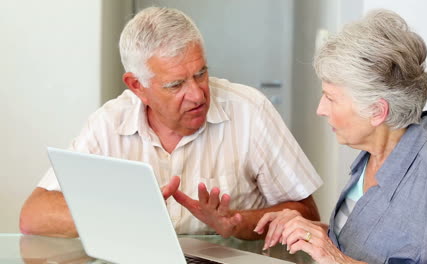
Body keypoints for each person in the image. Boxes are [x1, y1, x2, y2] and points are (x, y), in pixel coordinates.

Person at [19, 7, 322, 239]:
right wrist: (120, 215)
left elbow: (306, 214)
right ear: (137, 86)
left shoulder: (250, 111)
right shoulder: (109, 123)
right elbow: (34, 215)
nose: (197, 94)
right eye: (176, 85)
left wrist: (237, 222)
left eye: (201, 73)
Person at [254, 9, 427, 263]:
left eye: (331, 98)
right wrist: (309, 233)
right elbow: (372, 246)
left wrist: (337, 259)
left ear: (377, 111)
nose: (320, 109)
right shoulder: (372, 157)